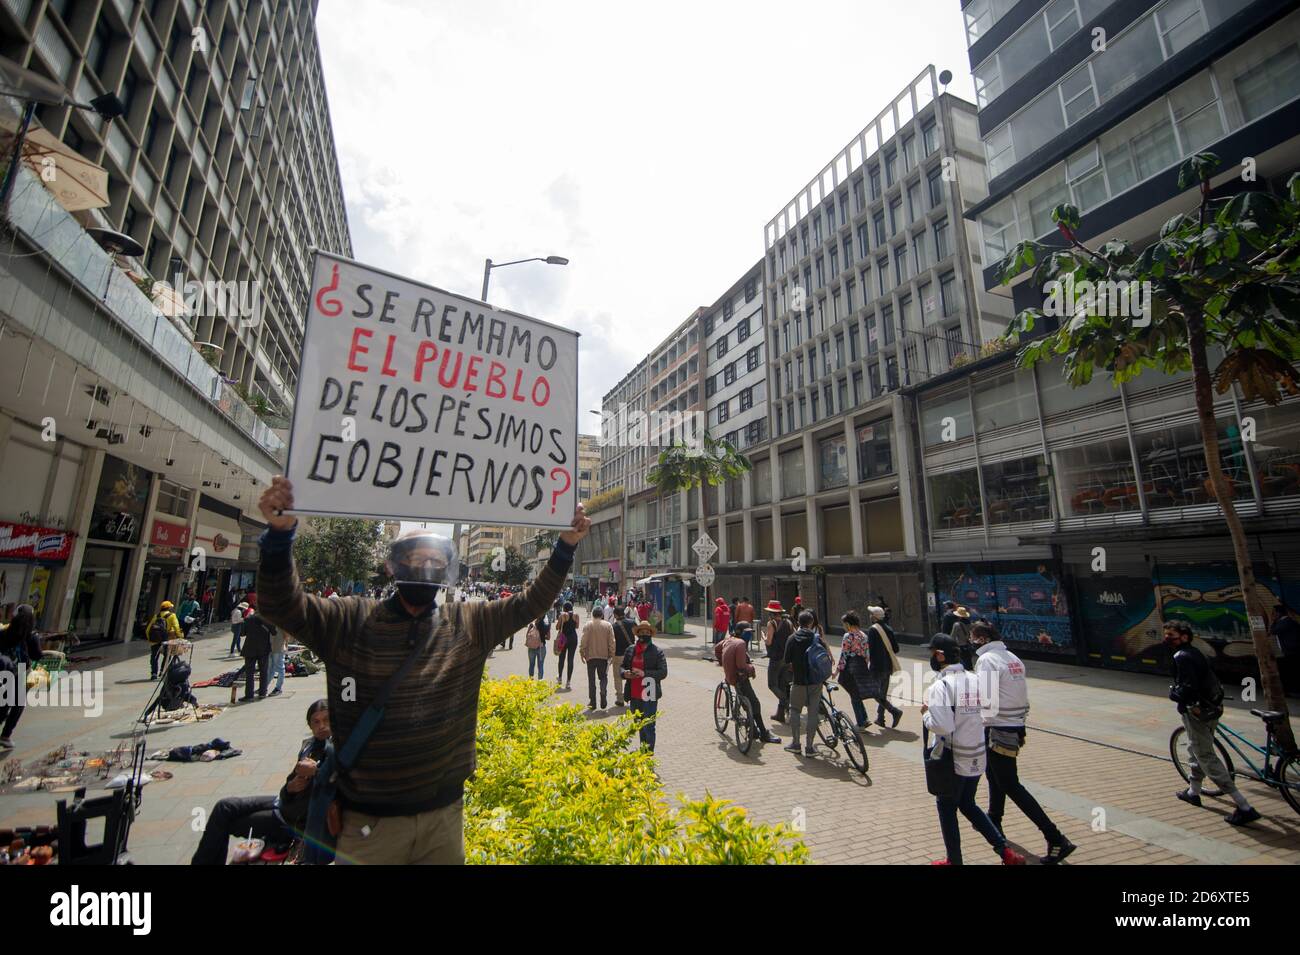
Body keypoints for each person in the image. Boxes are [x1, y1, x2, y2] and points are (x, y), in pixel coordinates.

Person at [255, 476, 588, 864]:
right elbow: (281, 605)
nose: (425, 567)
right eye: (415, 558)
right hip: (368, 826)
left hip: (443, 821)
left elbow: (531, 603)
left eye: (435, 561)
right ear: (393, 565)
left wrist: (565, 547)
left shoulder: (468, 624)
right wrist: (279, 537)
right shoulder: (350, 621)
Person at [971, 621, 1076, 863]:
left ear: (983, 639)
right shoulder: (1012, 657)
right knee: (994, 775)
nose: (971, 642)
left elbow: (984, 698)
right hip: (1015, 724)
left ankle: (1056, 838)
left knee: (1010, 784)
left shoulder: (987, 660)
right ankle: (993, 819)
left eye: (973, 638)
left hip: (998, 727)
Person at [923, 634, 1025, 866]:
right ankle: (1005, 851)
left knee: (947, 808)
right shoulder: (975, 678)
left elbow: (942, 725)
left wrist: (927, 714)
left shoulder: (942, 685)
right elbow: (989, 712)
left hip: (953, 758)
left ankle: (954, 860)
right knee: (968, 803)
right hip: (978, 754)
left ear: (939, 655)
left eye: (932, 653)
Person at [191, 700, 331, 864]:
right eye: (316, 722)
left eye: (327, 720)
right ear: (309, 725)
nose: (322, 726)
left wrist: (317, 772)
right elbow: (289, 781)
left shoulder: (336, 749)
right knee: (224, 807)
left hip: (294, 819)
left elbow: (340, 781)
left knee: (228, 823)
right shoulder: (309, 746)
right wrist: (290, 788)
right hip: (284, 802)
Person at [1165, 620, 1260, 826]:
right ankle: (1193, 791)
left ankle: (1244, 806)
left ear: (1184, 636)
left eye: (1171, 635)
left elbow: (1188, 688)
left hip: (1197, 712)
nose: (1167, 638)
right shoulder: (1196, 652)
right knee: (1196, 748)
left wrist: (1174, 693)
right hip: (1211, 709)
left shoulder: (1182, 657)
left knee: (1205, 755)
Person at [715, 630, 781, 744]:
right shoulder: (741, 643)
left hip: (730, 676)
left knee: (745, 700)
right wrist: (751, 669)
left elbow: (717, 648)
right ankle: (763, 733)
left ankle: (753, 729)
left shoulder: (728, 640)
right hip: (739, 678)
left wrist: (721, 661)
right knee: (755, 703)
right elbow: (741, 666)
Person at [782, 610, 823, 757]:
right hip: (816, 681)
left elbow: (787, 660)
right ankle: (810, 747)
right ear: (811, 623)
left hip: (799, 680)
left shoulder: (792, 638)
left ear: (798, 622)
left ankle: (796, 743)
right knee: (813, 713)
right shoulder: (817, 637)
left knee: (795, 710)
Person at [621, 622, 668, 752]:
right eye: (641, 632)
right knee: (639, 723)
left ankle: (648, 753)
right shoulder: (630, 649)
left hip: (649, 691)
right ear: (637, 634)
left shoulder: (657, 651)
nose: (644, 635)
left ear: (651, 635)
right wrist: (624, 673)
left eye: (647, 633)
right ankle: (643, 749)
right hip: (634, 691)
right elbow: (623, 666)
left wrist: (644, 674)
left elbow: (663, 672)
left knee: (649, 724)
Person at [0, 604, 41, 750]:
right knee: (18, 704)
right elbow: (37, 655)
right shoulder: (32, 636)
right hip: (22, 672)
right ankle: (5, 736)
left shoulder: (5, 632)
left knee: (3, 700)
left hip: (4, 671)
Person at [863, 606, 904, 727]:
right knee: (882, 693)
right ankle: (880, 718)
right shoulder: (889, 629)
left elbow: (870, 650)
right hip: (888, 665)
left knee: (874, 692)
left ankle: (894, 711)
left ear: (874, 617)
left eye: (871, 614)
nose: (870, 616)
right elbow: (896, 649)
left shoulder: (873, 630)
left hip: (876, 666)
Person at [836, 612, 874, 732]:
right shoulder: (864, 635)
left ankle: (861, 722)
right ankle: (864, 718)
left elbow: (844, 654)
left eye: (844, 624)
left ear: (848, 624)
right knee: (857, 693)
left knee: (854, 695)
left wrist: (838, 670)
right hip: (862, 667)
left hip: (850, 669)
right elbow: (867, 654)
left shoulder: (848, 636)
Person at [579, 605, 617, 710]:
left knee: (591, 680)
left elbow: (583, 640)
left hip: (590, 657)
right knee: (603, 677)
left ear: (593, 614)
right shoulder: (608, 625)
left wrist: (582, 652)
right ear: (602, 615)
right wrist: (612, 654)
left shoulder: (588, 625)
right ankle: (603, 690)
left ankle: (593, 702)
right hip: (603, 657)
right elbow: (612, 642)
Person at [763, 600, 793, 722]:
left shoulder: (772, 623)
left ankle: (787, 703)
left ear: (771, 613)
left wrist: (763, 637)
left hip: (776, 658)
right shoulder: (789, 622)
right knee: (782, 685)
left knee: (772, 685)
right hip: (786, 658)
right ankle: (780, 714)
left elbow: (769, 641)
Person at [240, 608, 273, 701]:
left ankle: (249, 695)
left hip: (250, 649)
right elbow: (274, 632)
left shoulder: (248, 619)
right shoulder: (268, 620)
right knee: (263, 671)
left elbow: (242, 633)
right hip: (264, 649)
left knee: (249, 673)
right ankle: (263, 692)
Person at [145, 600, 183, 680]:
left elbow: (148, 629)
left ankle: (154, 673)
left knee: (154, 656)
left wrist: (150, 639)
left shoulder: (156, 616)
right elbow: (176, 627)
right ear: (169, 608)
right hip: (166, 639)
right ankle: (162, 671)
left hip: (155, 639)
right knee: (167, 655)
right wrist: (180, 636)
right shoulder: (172, 616)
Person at [610, 606, 635, 707]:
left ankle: (620, 699)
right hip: (632, 654)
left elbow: (612, 642)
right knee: (632, 675)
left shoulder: (614, 626)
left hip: (618, 655)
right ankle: (633, 697)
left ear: (615, 615)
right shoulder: (632, 622)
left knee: (618, 676)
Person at [555, 602, 580, 690]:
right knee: (570, 659)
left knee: (561, 658)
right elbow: (577, 626)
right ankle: (568, 682)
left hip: (563, 638)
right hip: (573, 638)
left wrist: (560, 622)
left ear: (564, 608)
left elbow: (557, 627)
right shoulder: (576, 615)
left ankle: (560, 678)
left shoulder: (562, 615)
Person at [525, 614, 549, 680]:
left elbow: (527, 635)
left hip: (531, 647)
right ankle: (540, 682)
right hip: (541, 647)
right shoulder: (546, 625)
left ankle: (531, 680)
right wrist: (542, 637)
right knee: (540, 665)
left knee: (531, 664)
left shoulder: (532, 624)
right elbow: (548, 637)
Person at [267, 619, 287, 697]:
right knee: (270, 668)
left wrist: (285, 644)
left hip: (278, 647)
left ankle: (278, 688)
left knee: (279, 668)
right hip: (270, 647)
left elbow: (286, 635)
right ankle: (264, 686)